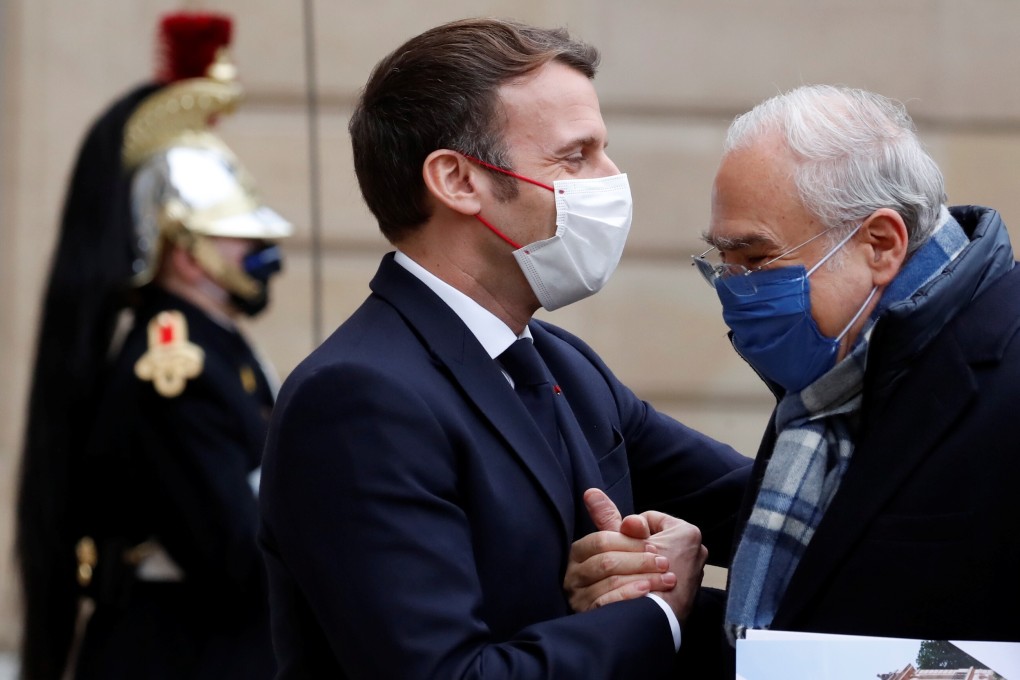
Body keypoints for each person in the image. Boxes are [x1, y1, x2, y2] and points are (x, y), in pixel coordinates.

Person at [258, 16, 752, 679]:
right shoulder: (358, 397)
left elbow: (758, 509)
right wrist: (656, 605)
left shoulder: (561, 363)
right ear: (459, 181)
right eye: (575, 156)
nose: (608, 178)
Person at [573, 84, 1020, 647]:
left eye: (758, 259)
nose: (737, 292)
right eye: (725, 261)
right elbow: (815, 620)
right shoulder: (842, 371)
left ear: (881, 244)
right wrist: (666, 606)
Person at [15, 12, 292, 680]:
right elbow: (233, 553)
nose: (255, 251)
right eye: (233, 235)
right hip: (183, 652)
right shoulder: (171, 365)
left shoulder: (215, 344)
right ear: (181, 249)